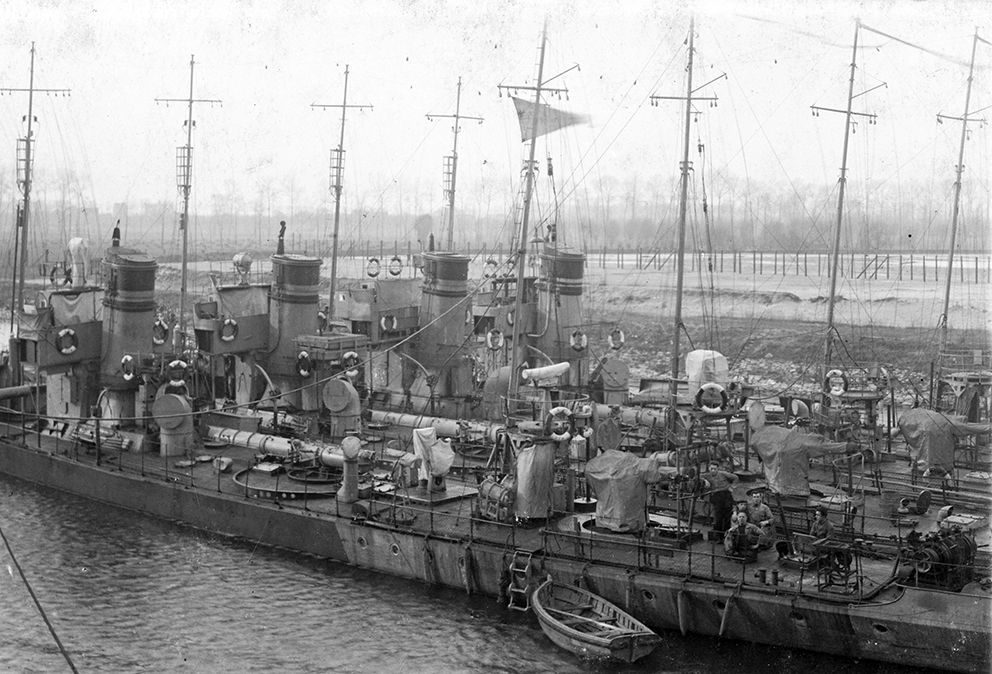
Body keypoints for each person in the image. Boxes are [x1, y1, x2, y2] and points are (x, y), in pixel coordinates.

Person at [702, 460, 738, 534]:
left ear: (718, 469)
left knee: (727, 515)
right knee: (718, 516)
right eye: (711, 469)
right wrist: (704, 480)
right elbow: (698, 477)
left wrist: (732, 487)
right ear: (709, 468)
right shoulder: (707, 476)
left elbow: (735, 477)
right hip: (716, 496)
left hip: (726, 495)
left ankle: (727, 533)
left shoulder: (723, 474)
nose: (713, 470)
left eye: (715, 469)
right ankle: (718, 534)